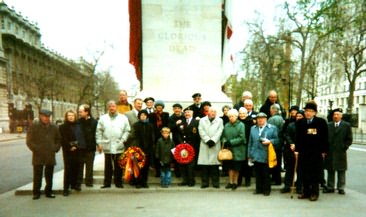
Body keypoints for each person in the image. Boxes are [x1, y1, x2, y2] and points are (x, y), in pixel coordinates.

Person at [296, 101, 328, 201]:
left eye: (310, 111)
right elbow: (298, 138)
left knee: (314, 174)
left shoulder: (321, 123)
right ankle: (306, 192)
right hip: (304, 152)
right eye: (306, 111)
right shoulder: (300, 123)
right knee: (304, 173)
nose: (308, 113)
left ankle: (314, 193)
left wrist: (324, 151)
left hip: (316, 153)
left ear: (315, 113)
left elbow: (325, 138)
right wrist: (297, 150)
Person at [26, 109, 61, 200]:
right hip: (38, 154)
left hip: (50, 154)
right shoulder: (34, 126)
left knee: (49, 175)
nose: (46, 118)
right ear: (40, 116)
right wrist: (36, 149)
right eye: (45, 116)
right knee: (37, 175)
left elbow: (58, 139)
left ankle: (48, 191)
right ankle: (36, 192)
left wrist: (55, 148)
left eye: (48, 117)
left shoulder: (54, 127)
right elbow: (29, 141)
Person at [96, 100, 130, 189]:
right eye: (110, 106)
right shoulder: (103, 118)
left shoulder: (123, 118)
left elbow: (127, 130)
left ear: (116, 107)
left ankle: (118, 182)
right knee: (108, 166)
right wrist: (99, 143)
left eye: (113, 106)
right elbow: (98, 131)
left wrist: (123, 140)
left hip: (119, 145)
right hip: (107, 145)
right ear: (108, 108)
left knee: (118, 165)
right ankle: (107, 183)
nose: (112, 108)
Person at [248, 112, 279, 196]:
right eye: (258, 118)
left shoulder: (272, 128)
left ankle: (266, 190)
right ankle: (258, 189)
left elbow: (277, 140)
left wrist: (270, 141)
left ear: (266, 119)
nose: (260, 120)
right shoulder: (253, 128)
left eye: (262, 118)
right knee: (257, 174)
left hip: (266, 154)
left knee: (266, 173)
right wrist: (249, 154)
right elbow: (250, 142)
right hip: (255, 154)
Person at [323, 108, 353, 195]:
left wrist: (344, 147)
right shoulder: (329, 125)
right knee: (330, 169)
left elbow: (349, 139)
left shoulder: (346, 125)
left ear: (341, 116)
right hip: (330, 151)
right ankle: (330, 187)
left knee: (341, 170)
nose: (336, 116)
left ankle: (341, 187)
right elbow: (324, 138)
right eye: (334, 115)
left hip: (341, 151)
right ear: (332, 116)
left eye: (338, 114)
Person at [126, 110, 155, 188]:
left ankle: (144, 182)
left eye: (145, 115)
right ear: (139, 116)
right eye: (141, 115)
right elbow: (133, 136)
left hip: (147, 149)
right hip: (138, 149)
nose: (143, 116)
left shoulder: (150, 125)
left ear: (147, 116)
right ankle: (137, 182)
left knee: (146, 167)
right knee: (138, 166)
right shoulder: (136, 125)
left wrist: (151, 147)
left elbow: (152, 137)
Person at [198, 107, 224, 188]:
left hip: (215, 144)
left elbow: (220, 130)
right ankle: (205, 183)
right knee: (204, 166)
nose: (213, 113)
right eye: (212, 111)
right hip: (205, 144)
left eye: (215, 111)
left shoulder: (220, 120)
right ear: (208, 112)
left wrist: (213, 140)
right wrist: (207, 140)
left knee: (215, 166)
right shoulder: (202, 120)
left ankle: (215, 183)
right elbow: (200, 130)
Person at [221, 109, 246, 190]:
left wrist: (231, 142)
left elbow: (241, 138)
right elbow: (223, 135)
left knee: (236, 167)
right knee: (230, 167)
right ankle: (230, 182)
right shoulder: (227, 125)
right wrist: (225, 141)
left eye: (232, 116)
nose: (231, 118)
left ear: (236, 116)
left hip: (238, 149)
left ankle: (235, 182)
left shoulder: (241, 125)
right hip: (229, 150)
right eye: (229, 116)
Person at [282, 110, 304, 194]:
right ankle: (287, 186)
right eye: (297, 116)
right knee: (290, 169)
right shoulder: (291, 125)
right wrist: (291, 143)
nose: (298, 118)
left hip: (301, 151)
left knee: (300, 170)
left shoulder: (306, 126)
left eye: (300, 116)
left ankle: (299, 187)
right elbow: (287, 135)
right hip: (291, 150)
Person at [177, 106, 200, 187]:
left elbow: (198, 135)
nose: (187, 113)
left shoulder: (197, 122)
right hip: (183, 147)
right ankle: (184, 180)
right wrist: (181, 144)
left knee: (191, 165)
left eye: (189, 112)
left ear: (192, 113)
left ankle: (191, 181)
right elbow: (178, 134)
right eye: (186, 112)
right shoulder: (181, 122)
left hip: (192, 147)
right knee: (183, 164)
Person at [59, 110, 80, 196]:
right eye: (69, 115)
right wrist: (70, 146)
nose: (71, 117)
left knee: (76, 168)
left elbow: (81, 137)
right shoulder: (62, 127)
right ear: (66, 117)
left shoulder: (78, 126)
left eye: (72, 115)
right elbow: (62, 139)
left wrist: (76, 146)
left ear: (75, 116)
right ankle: (66, 188)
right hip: (67, 151)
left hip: (77, 150)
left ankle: (74, 184)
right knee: (68, 169)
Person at [77, 104, 98, 188]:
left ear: (87, 112)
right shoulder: (78, 122)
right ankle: (79, 182)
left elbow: (96, 134)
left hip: (90, 148)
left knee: (89, 166)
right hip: (80, 148)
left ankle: (89, 181)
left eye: (81, 112)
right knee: (79, 166)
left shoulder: (94, 122)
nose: (79, 113)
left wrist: (98, 144)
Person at [149, 100, 170, 177]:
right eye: (157, 106)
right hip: (155, 137)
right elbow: (151, 126)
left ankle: (164, 170)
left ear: (162, 107)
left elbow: (167, 125)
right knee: (156, 154)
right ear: (155, 107)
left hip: (164, 136)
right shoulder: (151, 115)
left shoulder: (166, 114)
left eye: (160, 106)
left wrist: (165, 133)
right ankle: (157, 171)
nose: (159, 107)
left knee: (164, 153)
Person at [267, 104, 284, 185]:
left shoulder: (271, 119)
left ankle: (275, 179)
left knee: (273, 161)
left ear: (273, 110)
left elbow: (269, 131)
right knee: (278, 161)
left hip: (273, 143)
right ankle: (278, 180)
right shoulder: (281, 118)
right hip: (280, 142)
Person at [168, 103, 185, 177]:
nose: (177, 110)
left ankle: (184, 172)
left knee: (185, 155)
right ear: (173, 110)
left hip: (185, 139)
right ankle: (178, 172)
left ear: (181, 109)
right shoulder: (171, 118)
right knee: (177, 156)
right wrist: (176, 123)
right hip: (176, 140)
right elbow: (169, 128)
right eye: (175, 108)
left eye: (178, 108)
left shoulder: (184, 116)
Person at [237, 107, 252, 187]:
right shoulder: (237, 122)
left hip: (248, 145)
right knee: (239, 164)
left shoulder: (251, 122)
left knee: (247, 165)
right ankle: (238, 181)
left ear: (247, 114)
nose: (242, 115)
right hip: (239, 145)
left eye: (244, 113)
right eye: (241, 113)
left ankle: (247, 181)